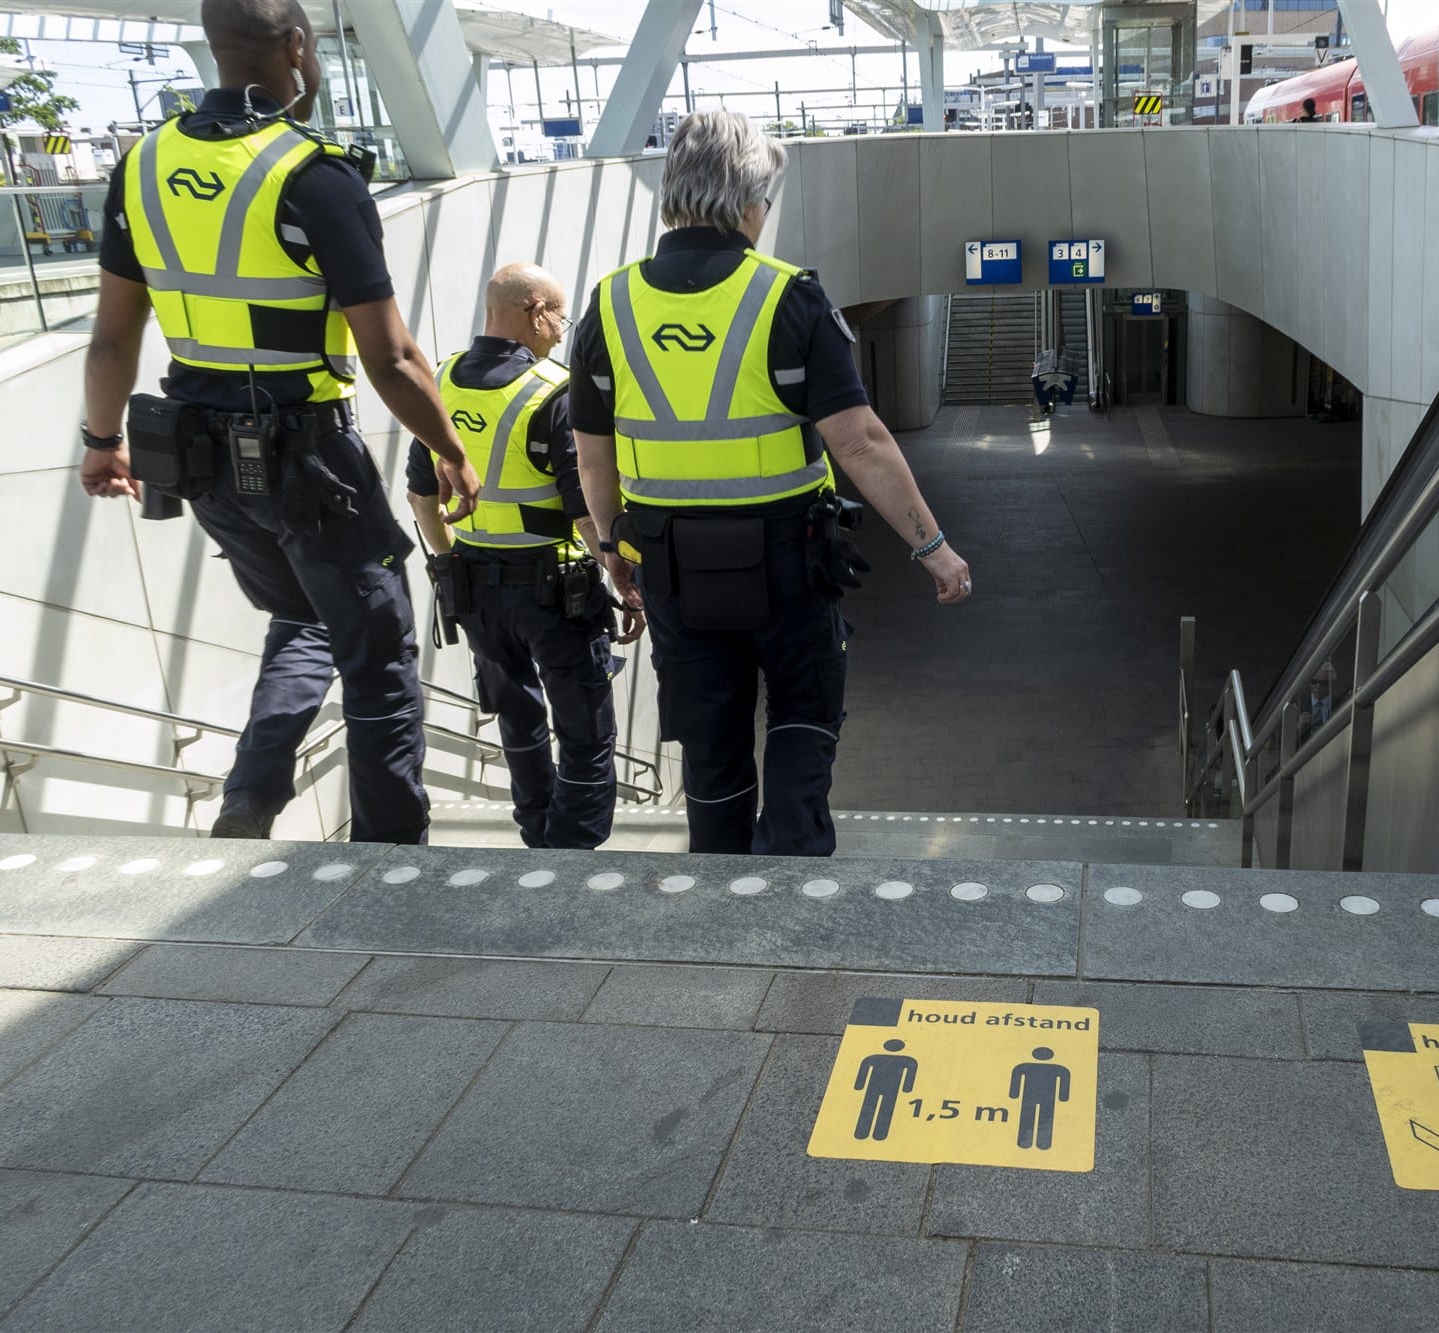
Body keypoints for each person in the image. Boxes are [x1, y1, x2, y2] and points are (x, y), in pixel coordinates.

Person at [79, 0, 479, 843]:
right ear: (296, 47)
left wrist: (102, 442)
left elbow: (113, 337)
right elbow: (392, 357)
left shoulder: (142, 166)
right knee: (378, 654)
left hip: (196, 458)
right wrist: (448, 447)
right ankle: (392, 860)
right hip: (306, 459)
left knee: (303, 615)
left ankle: (250, 796)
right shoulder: (316, 175)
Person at [571, 110, 971, 857]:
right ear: (751, 198)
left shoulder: (611, 304)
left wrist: (610, 551)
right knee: (801, 725)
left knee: (710, 749)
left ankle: (721, 900)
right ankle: (790, 891)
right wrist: (934, 548)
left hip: (671, 571)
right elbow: (860, 442)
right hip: (790, 565)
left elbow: (593, 460)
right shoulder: (789, 296)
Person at [406, 264, 638, 850]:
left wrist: (448, 565)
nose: (561, 331)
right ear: (536, 313)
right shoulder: (554, 392)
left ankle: (537, 834)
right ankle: (572, 850)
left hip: (476, 588)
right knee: (584, 727)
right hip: (556, 593)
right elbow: (585, 512)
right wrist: (625, 582)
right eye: (559, 317)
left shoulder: (441, 381)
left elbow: (420, 495)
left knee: (517, 719)